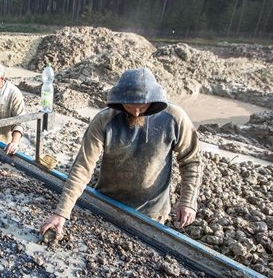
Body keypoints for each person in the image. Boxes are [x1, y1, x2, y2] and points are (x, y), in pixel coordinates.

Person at [41, 68, 202, 239]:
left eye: (143, 106)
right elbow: (82, 167)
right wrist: (61, 213)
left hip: (152, 212)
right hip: (107, 204)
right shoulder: (104, 120)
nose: (137, 112)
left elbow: (191, 161)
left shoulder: (174, 118)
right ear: (120, 101)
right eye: (130, 106)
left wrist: (188, 201)